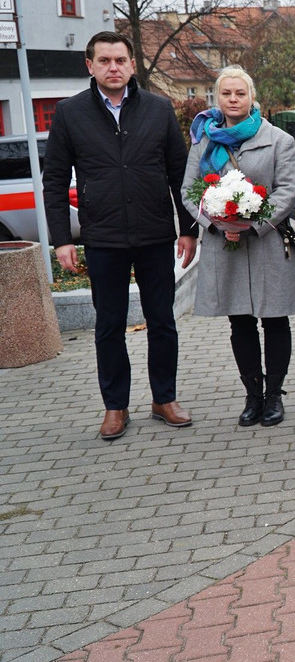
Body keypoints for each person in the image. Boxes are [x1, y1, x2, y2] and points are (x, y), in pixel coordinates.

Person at [42, 30, 198, 441]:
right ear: (90, 66)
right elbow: (55, 181)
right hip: (104, 237)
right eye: (105, 61)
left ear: (132, 64)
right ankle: (115, 407)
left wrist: (189, 231)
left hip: (155, 234)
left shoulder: (159, 109)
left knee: (162, 321)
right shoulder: (70, 113)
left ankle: (164, 399)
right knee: (108, 326)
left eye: (120, 60)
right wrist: (62, 240)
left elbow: (179, 175)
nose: (114, 68)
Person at [181, 67, 295, 427]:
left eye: (240, 93)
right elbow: (189, 191)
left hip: (267, 243)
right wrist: (216, 223)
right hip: (224, 243)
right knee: (240, 321)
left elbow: (287, 190)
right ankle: (252, 395)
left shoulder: (279, 139)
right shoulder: (204, 141)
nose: (233, 100)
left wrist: (254, 223)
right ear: (216, 99)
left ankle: (275, 396)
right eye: (226, 94)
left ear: (252, 97)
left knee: (275, 319)